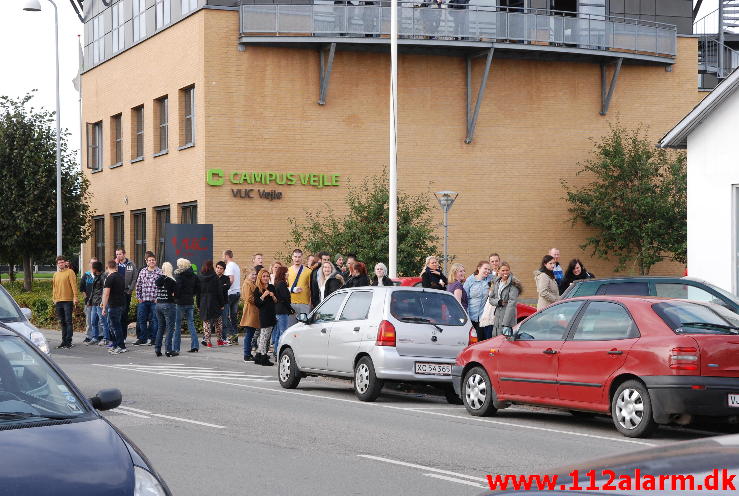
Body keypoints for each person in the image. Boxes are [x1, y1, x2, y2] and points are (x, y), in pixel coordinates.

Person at [488, 262, 522, 338]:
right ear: (498, 271)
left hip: (508, 317)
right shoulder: (497, 282)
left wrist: (505, 323)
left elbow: (512, 304)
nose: (505, 272)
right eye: (503, 270)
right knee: (496, 339)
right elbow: (491, 299)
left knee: (505, 341)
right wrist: (498, 302)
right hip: (497, 316)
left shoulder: (513, 284)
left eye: (507, 270)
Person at [174, 258, 201, 353]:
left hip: (180, 303)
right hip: (189, 302)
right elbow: (198, 288)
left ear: (181, 266)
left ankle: (176, 348)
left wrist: (175, 297)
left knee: (177, 326)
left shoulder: (179, 275)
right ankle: (195, 346)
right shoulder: (194, 275)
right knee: (191, 324)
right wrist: (191, 294)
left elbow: (177, 288)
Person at [134, 254, 161, 346]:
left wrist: (158, 298)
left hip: (154, 301)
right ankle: (143, 338)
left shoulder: (160, 272)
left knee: (154, 320)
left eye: (153, 260)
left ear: (155, 261)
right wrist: (138, 297)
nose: (151, 262)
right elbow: (138, 285)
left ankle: (153, 339)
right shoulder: (142, 271)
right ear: (146, 262)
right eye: (149, 260)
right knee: (142, 319)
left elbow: (162, 287)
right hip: (143, 300)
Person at [52, 255, 78, 349]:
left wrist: (75, 297)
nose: (61, 264)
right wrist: (54, 298)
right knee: (62, 322)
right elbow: (54, 288)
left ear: (65, 263)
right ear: (57, 264)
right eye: (59, 263)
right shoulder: (55, 274)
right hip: (58, 301)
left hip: (68, 300)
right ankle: (63, 341)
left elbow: (74, 285)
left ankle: (68, 341)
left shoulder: (70, 272)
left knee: (68, 321)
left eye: (62, 262)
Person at [197, 260, 225, 348]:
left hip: (204, 303)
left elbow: (198, 293)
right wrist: (222, 304)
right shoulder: (215, 277)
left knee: (206, 323)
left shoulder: (199, 277)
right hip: (215, 302)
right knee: (218, 322)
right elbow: (219, 292)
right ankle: (219, 340)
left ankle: (208, 342)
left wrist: (198, 305)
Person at [102, 260, 127, 354]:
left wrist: (104, 307)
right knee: (116, 325)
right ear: (116, 267)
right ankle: (116, 345)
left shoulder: (109, 278)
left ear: (108, 267)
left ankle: (121, 346)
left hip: (113, 305)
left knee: (115, 326)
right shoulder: (120, 276)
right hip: (121, 303)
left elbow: (106, 294)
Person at [253, 268, 277, 366]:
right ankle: (263, 357)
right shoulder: (257, 289)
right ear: (260, 277)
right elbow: (257, 303)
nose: (266, 278)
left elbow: (276, 301)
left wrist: (272, 296)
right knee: (263, 337)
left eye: (267, 276)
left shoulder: (272, 287)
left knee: (267, 337)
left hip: (272, 314)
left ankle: (258, 356)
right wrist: (263, 295)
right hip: (264, 315)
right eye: (264, 276)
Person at [154, 262, 178, 357]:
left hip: (158, 305)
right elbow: (174, 294)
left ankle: (157, 349)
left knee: (160, 327)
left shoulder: (159, 280)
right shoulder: (172, 281)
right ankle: (168, 350)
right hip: (169, 305)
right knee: (170, 328)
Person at [114, 248, 138, 342]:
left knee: (124, 314)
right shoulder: (115, 264)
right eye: (117, 254)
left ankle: (123, 336)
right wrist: (115, 264)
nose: (118, 256)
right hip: (116, 293)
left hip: (126, 292)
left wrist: (130, 289)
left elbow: (135, 277)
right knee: (116, 314)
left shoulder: (131, 264)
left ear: (124, 254)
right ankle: (116, 336)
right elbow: (109, 274)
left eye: (120, 254)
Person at [463, 261, 492, 335]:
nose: (487, 271)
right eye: (485, 269)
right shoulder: (470, 280)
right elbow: (464, 299)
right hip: (470, 316)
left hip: (483, 318)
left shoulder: (490, 279)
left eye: (489, 270)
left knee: (481, 340)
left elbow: (502, 274)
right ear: (479, 268)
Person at [271, 265, 293, 360]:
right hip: (282, 311)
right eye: (286, 272)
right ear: (283, 274)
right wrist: (290, 309)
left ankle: (276, 352)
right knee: (282, 333)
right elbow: (285, 299)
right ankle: (278, 352)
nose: (288, 274)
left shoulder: (277, 283)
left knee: (277, 333)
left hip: (277, 310)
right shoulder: (282, 284)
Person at [287, 249, 312, 326]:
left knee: (303, 328)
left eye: (299, 257)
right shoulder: (288, 271)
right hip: (290, 303)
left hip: (304, 303)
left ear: (302, 258)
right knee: (290, 328)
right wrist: (292, 289)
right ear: (292, 257)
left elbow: (311, 288)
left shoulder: (308, 271)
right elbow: (284, 287)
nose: (297, 259)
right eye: (295, 257)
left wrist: (310, 303)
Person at [85, 261, 108, 346]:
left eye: (92, 268)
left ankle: (106, 338)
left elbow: (105, 290)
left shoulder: (103, 277)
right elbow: (93, 291)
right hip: (94, 302)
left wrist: (102, 301)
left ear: (95, 269)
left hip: (100, 302)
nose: (91, 269)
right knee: (93, 321)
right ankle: (95, 337)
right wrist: (89, 301)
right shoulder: (96, 276)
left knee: (103, 321)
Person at [239, 269, 260, 361]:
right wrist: (260, 300)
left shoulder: (251, 283)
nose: (254, 276)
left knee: (250, 334)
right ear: (247, 275)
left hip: (252, 310)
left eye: (255, 274)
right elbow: (249, 298)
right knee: (249, 334)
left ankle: (248, 353)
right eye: (252, 274)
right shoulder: (247, 284)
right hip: (250, 311)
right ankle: (247, 354)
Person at [222, 250, 241, 345]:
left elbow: (231, 279)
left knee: (225, 315)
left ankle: (232, 334)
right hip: (237, 293)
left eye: (223, 256)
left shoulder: (229, 266)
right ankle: (235, 337)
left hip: (230, 293)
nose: (223, 258)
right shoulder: (236, 266)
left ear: (226, 256)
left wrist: (225, 288)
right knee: (233, 316)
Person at [80, 257, 98, 344]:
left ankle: (99, 336)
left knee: (99, 320)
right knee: (89, 320)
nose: (93, 264)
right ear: (89, 264)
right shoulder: (86, 275)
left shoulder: (100, 275)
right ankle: (88, 336)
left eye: (95, 263)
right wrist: (86, 298)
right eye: (92, 263)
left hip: (98, 302)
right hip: (89, 302)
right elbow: (82, 288)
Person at [215, 261, 233, 347]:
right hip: (214, 303)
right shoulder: (213, 277)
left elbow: (227, 286)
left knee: (224, 321)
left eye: (221, 268)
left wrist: (219, 287)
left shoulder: (226, 278)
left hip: (225, 302)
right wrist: (222, 286)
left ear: (224, 270)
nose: (219, 269)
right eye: (217, 267)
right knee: (210, 321)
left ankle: (224, 338)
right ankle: (206, 338)